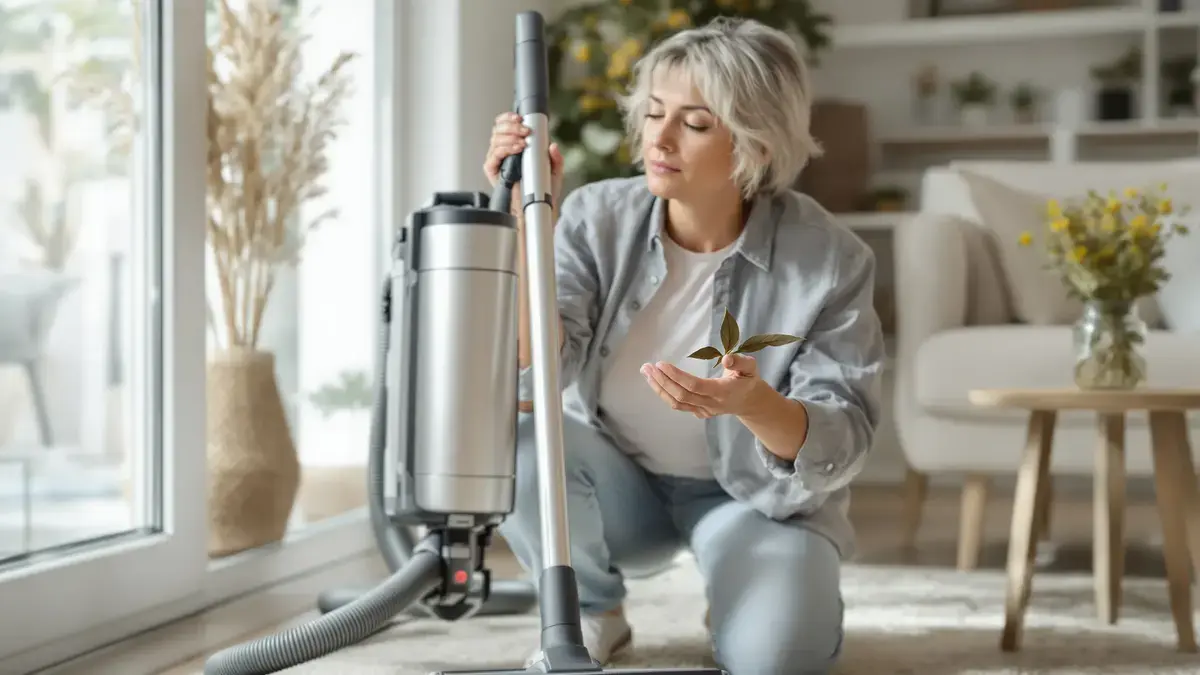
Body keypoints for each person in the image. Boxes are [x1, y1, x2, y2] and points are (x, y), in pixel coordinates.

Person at [482, 16, 884, 675]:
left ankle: (741, 594)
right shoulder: (595, 218)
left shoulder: (831, 260)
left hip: (757, 501)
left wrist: (754, 403)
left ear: (754, 145)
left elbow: (843, 440)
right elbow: (535, 377)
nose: (658, 139)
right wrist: (534, 214)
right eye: (654, 114)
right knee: (519, 442)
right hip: (623, 485)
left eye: (694, 124)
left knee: (778, 661)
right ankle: (594, 607)